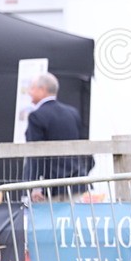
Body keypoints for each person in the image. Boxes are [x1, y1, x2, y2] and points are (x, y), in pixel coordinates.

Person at [23, 72, 94, 201]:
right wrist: (84, 172)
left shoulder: (37, 116)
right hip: (76, 183)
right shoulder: (72, 113)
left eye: (32, 88)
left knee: (47, 221)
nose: (29, 92)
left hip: (49, 188)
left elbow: (35, 153)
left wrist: (35, 186)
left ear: (42, 89)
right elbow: (84, 146)